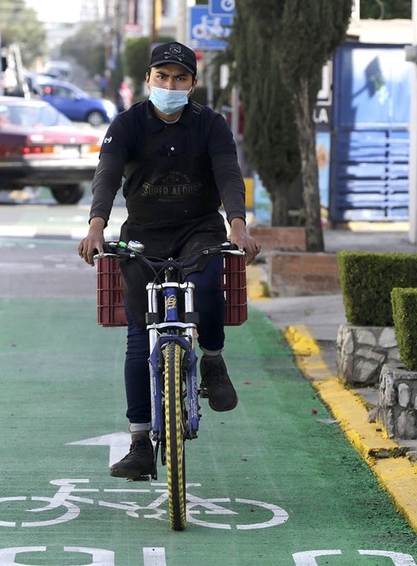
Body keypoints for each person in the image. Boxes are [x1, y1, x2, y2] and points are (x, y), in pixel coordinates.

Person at [77, 41, 261, 480]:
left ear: (193, 84)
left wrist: (238, 224)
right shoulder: (126, 124)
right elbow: (107, 174)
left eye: (180, 78)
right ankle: (140, 443)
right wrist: (96, 225)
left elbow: (228, 173)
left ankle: (213, 360)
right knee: (139, 338)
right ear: (148, 80)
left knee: (212, 285)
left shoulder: (210, 124)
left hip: (200, 230)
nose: (170, 85)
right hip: (143, 236)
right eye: (162, 76)